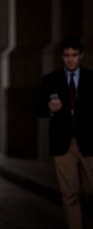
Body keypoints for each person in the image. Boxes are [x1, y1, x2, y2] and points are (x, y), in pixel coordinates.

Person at [37, 37, 93, 229]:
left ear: (81, 56)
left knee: (90, 189)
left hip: (89, 142)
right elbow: (38, 110)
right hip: (63, 145)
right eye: (67, 56)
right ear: (62, 56)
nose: (71, 60)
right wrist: (49, 107)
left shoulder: (92, 78)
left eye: (74, 55)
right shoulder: (50, 79)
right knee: (70, 193)